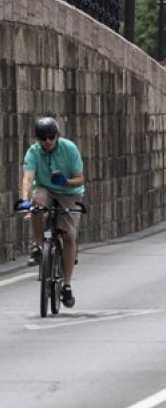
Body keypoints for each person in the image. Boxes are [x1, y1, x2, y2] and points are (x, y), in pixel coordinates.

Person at [18, 117, 85, 308]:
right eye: (43, 138)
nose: (47, 141)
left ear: (57, 136)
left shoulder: (69, 149)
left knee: (69, 236)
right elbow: (28, 178)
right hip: (45, 189)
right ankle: (38, 246)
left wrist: (66, 181)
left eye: (51, 137)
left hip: (69, 193)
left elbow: (80, 179)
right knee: (36, 203)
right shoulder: (34, 152)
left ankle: (66, 285)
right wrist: (24, 199)